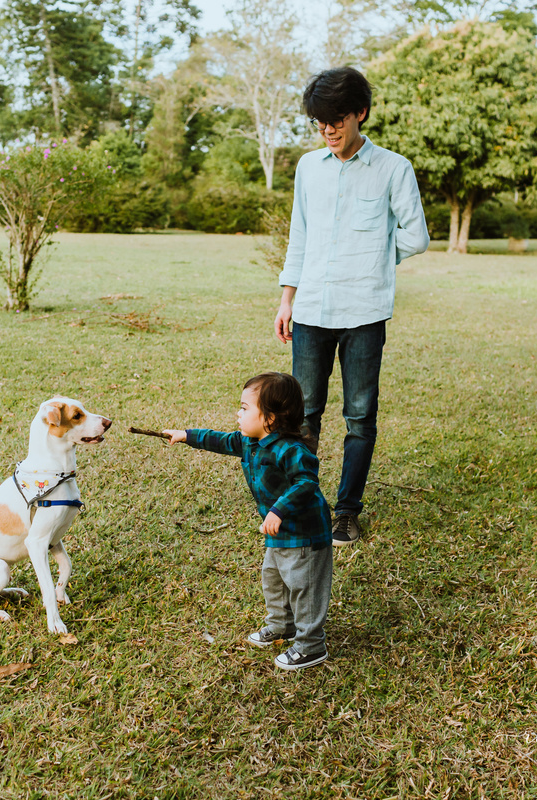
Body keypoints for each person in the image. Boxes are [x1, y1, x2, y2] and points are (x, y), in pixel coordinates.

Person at [274, 67, 430, 547]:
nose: (328, 131)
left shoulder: (393, 168)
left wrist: (376, 259)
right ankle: (303, 503)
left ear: (360, 113)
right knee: (304, 413)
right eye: (320, 123)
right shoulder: (307, 168)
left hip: (364, 310)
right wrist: (287, 298)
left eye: (337, 120)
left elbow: (416, 236)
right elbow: (299, 234)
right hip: (312, 310)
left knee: (359, 415)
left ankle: (346, 512)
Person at [163, 372, 333, 671]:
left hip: (304, 533)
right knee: (274, 579)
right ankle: (282, 626)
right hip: (278, 533)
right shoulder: (250, 442)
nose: (238, 414)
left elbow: (306, 483)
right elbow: (220, 439)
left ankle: (310, 645)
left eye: (244, 408)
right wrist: (187, 434)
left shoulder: (291, 450)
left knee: (303, 586)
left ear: (269, 418)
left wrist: (278, 510)